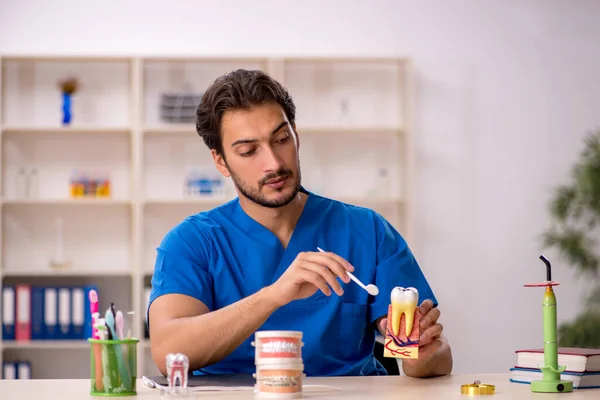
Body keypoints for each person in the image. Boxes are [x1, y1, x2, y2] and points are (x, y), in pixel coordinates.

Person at [147, 69, 453, 378]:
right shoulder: (192, 243)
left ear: (296, 134)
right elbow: (168, 353)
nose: (274, 163)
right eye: (249, 151)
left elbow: (434, 359)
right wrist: (274, 296)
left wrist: (421, 352)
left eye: (281, 140)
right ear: (221, 161)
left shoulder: (367, 231)